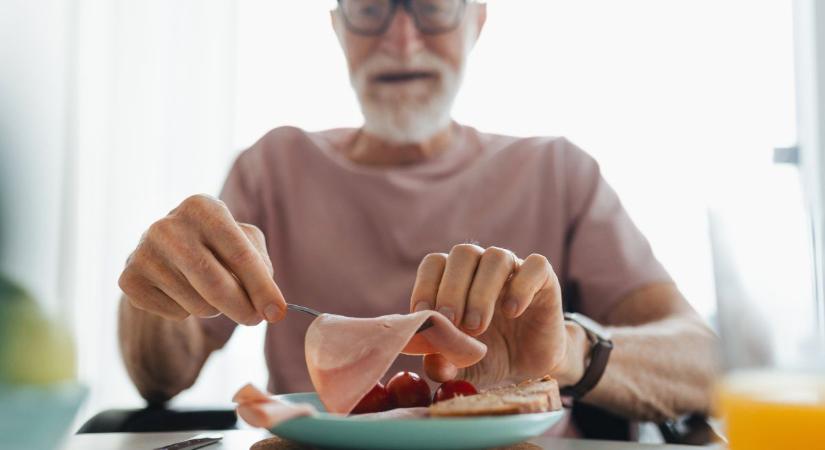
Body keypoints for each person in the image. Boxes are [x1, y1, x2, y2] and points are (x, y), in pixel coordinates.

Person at [118, 0, 716, 435]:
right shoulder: (273, 166)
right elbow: (160, 377)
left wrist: (565, 349)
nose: (401, 41)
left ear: (477, 21)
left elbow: (704, 363)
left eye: (431, 8)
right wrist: (162, 284)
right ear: (337, 28)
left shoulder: (558, 170)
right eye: (371, 9)